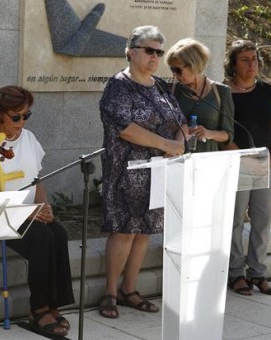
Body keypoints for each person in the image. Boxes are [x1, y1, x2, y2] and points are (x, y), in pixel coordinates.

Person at [0, 85, 75, 337]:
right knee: (40, 237)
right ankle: (38, 310)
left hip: (30, 213)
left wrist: (44, 206)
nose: (22, 122)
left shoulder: (29, 139)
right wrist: (26, 212)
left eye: (26, 115)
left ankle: (54, 304)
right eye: (16, 117)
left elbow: (36, 179)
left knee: (57, 232)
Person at [98, 25, 186, 319]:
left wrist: (180, 141)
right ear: (130, 51)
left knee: (145, 233)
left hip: (158, 172)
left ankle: (130, 289)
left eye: (159, 52)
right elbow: (127, 129)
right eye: (149, 50)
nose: (154, 57)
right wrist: (167, 144)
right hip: (126, 173)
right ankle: (110, 291)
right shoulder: (118, 86)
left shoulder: (160, 86)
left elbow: (180, 120)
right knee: (124, 231)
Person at [224, 40, 271, 296]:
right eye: (245, 59)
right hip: (235, 162)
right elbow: (222, 131)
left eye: (255, 59)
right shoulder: (224, 92)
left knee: (262, 220)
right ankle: (236, 274)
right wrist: (239, 153)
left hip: (263, 163)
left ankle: (257, 273)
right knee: (235, 220)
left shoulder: (268, 91)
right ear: (233, 64)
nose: (252, 64)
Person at [165, 38, 235, 152]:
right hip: (176, 161)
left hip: (207, 162)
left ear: (194, 65)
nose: (174, 75)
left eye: (178, 70)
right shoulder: (170, 89)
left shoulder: (221, 92)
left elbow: (228, 134)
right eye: (172, 69)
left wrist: (208, 133)